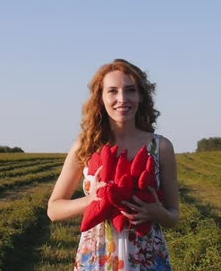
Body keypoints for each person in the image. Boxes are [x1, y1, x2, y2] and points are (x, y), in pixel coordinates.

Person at [47, 58, 180, 270]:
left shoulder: (161, 147)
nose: (122, 98)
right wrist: (92, 200)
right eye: (112, 91)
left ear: (141, 96)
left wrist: (156, 212)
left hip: (146, 258)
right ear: (100, 97)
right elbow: (54, 209)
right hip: (97, 259)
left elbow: (173, 216)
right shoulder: (86, 145)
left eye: (130, 90)